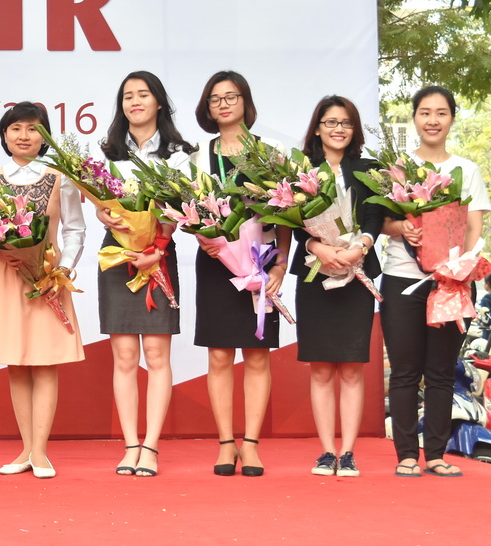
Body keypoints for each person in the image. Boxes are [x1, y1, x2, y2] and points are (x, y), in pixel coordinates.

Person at [380, 85, 489, 478]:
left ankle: (437, 454)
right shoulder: (397, 169)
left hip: (452, 284)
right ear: (414, 118)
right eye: (425, 112)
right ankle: (407, 454)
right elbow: (382, 222)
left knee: (441, 371)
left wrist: (458, 270)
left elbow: (474, 227)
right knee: (405, 371)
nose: (432, 120)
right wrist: (400, 228)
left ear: (452, 119)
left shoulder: (467, 170)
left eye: (441, 113)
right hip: (402, 279)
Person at [188, 71, 291, 477]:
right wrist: (200, 234)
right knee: (218, 355)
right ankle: (225, 443)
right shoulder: (198, 154)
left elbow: (287, 213)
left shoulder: (271, 152)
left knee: (257, 354)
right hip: (217, 262)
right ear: (208, 108)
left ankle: (251, 444)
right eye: (216, 99)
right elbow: (189, 209)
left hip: (261, 262)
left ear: (246, 102)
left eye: (231, 96)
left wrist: (281, 262)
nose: (224, 104)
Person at [0, 102, 85, 479]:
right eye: (16, 129)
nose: (24, 136)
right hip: (6, 276)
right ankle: (26, 449)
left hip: (48, 278)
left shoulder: (60, 178)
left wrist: (63, 269)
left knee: (44, 362)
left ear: (45, 137)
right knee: (17, 362)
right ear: (4, 135)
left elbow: (75, 230)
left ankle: (40, 451)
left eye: (33, 129)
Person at [97, 72, 195, 477]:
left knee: (156, 355)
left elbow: (181, 210)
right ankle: (130, 445)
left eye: (143, 94)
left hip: (159, 255)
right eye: (127, 96)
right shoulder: (108, 153)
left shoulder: (179, 155)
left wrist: (158, 247)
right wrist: (103, 213)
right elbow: (102, 204)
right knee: (124, 357)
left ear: (159, 102)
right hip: (117, 256)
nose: (134, 102)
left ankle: (151, 446)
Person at [290, 96, 381, 477]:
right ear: (317, 128)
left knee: (352, 369)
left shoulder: (369, 169)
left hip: (357, 274)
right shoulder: (299, 170)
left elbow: (375, 217)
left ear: (354, 129)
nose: (338, 129)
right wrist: (318, 247)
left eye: (345, 122)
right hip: (316, 273)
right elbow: (292, 221)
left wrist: (360, 247)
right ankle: (327, 452)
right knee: (322, 369)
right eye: (330, 122)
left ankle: (349, 453)